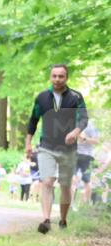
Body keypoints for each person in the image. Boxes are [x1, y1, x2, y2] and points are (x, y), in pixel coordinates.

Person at [26, 64, 89, 233]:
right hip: (47, 147)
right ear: (50, 77)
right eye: (54, 76)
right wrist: (28, 143)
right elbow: (33, 120)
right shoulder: (41, 98)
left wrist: (75, 132)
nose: (57, 79)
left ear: (66, 78)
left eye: (61, 76)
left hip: (68, 149)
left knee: (65, 185)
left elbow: (83, 119)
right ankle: (46, 220)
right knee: (47, 181)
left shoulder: (76, 97)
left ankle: (63, 219)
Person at [73, 122, 100, 208]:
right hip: (74, 154)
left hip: (87, 156)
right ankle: (69, 204)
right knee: (72, 179)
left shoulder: (91, 125)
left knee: (87, 181)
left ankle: (86, 204)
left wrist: (85, 138)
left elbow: (96, 141)